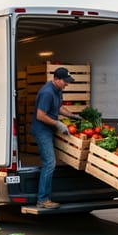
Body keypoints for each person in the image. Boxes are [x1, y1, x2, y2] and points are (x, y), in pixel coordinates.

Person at [30, 66, 81, 209]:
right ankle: (43, 200)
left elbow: (58, 108)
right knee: (50, 162)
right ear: (56, 79)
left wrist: (72, 115)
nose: (67, 84)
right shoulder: (47, 93)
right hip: (42, 131)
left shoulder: (58, 90)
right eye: (65, 81)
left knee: (50, 162)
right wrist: (58, 123)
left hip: (50, 128)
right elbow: (40, 115)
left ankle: (45, 197)